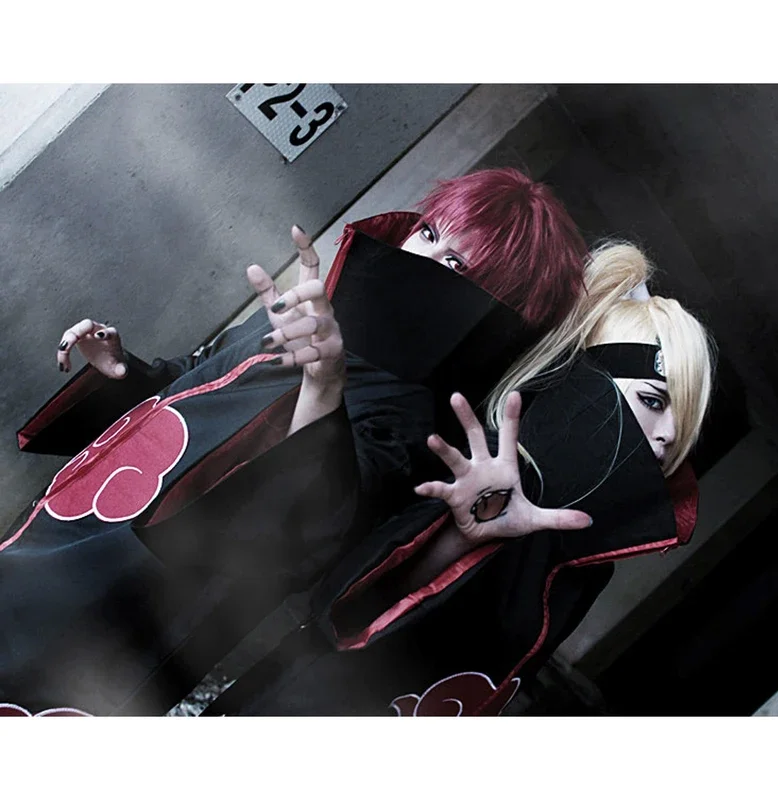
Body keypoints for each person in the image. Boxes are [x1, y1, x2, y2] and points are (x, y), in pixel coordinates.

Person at [1, 168, 592, 716]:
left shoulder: (416, 417)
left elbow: (322, 523)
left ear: (494, 305)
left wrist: (322, 386)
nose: (424, 258)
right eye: (430, 233)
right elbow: (198, 382)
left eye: (456, 263)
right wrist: (124, 371)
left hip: (144, 595)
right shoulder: (314, 313)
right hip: (75, 523)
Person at [201, 240, 714, 716]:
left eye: (684, 417)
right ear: (586, 383)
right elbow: (337, 602)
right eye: (653, 400)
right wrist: (461, 535)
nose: (671, 434)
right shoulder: (477, 463)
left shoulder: (593, 564)